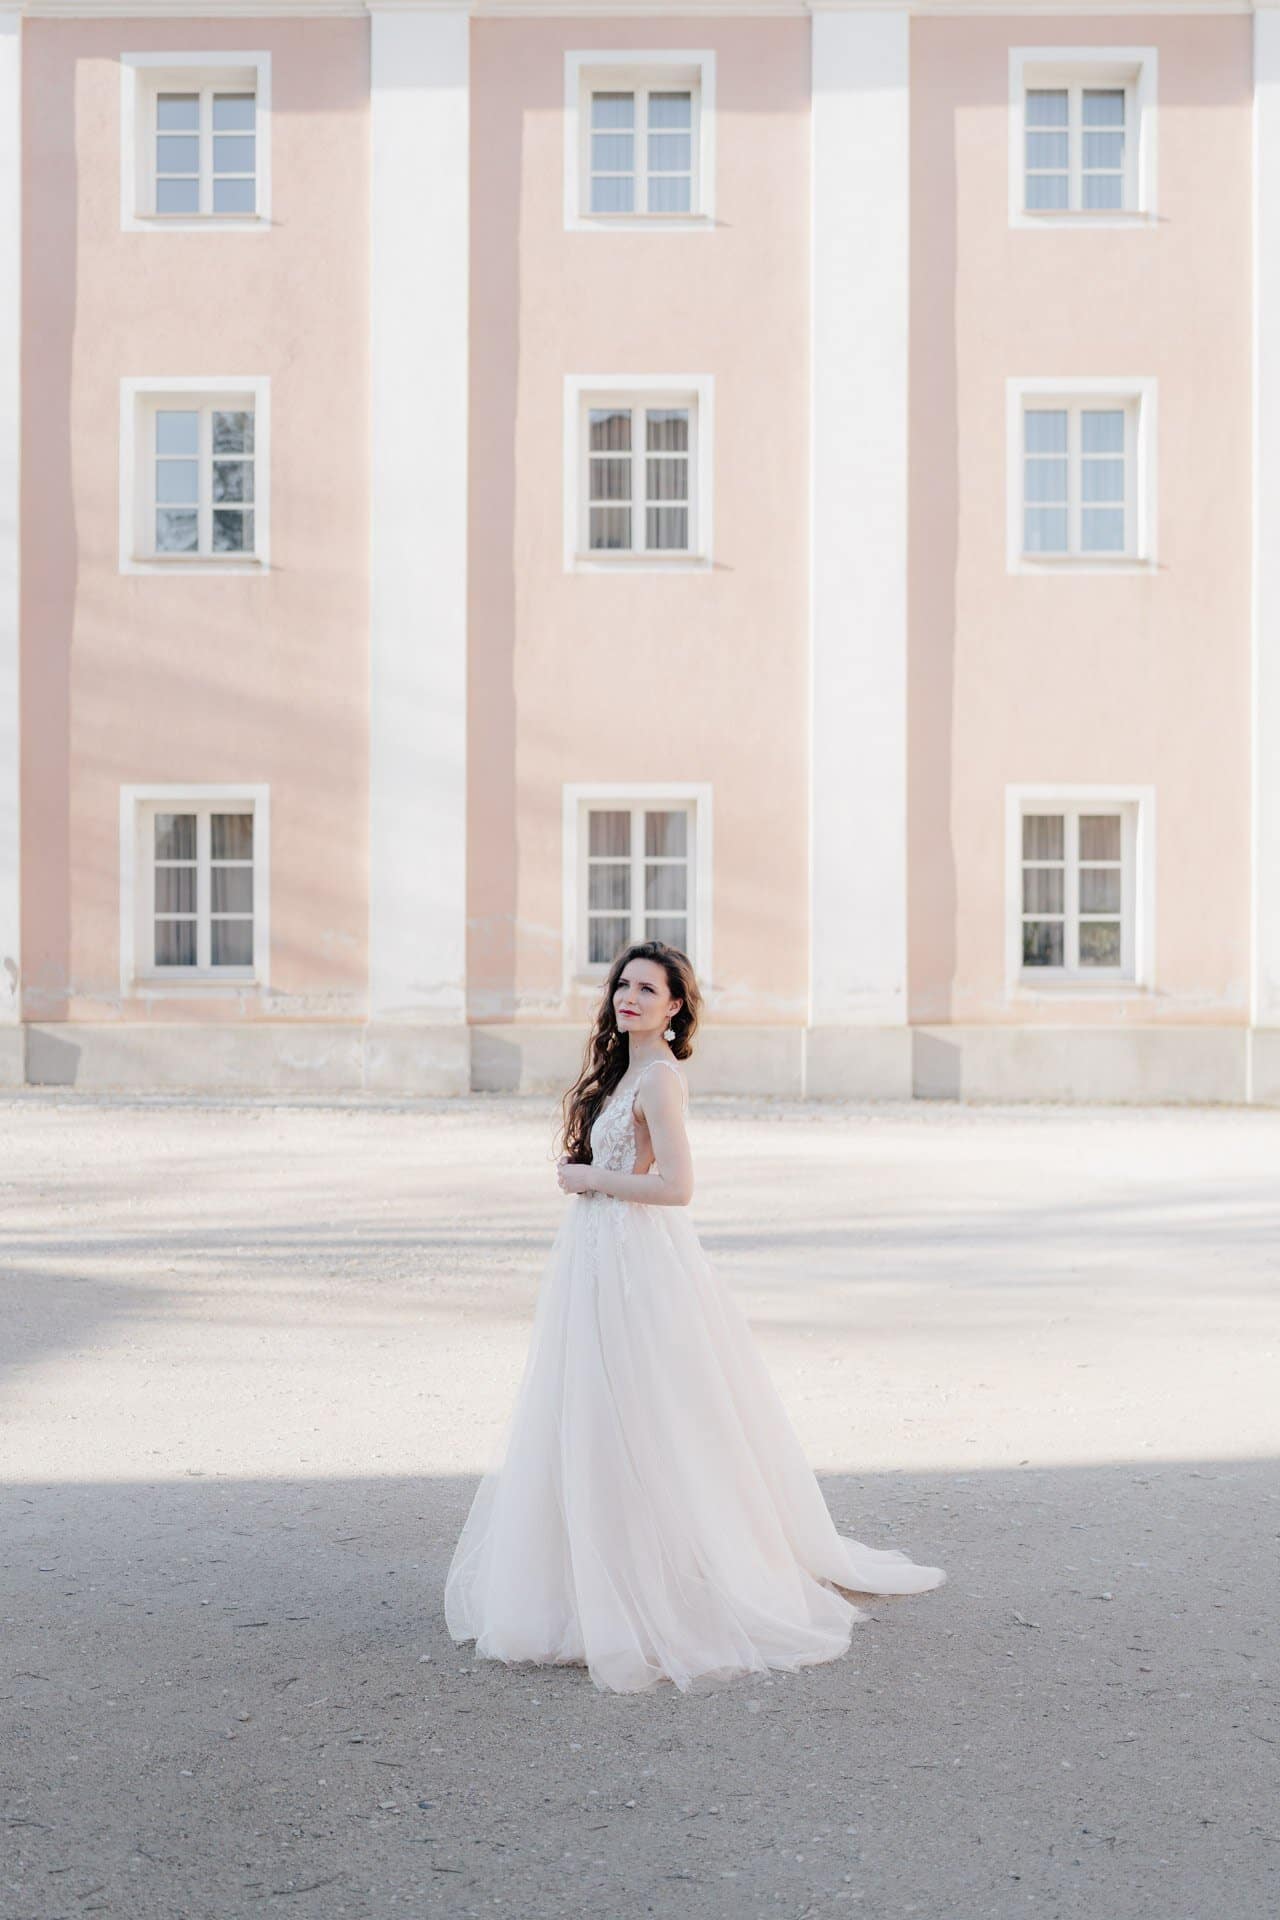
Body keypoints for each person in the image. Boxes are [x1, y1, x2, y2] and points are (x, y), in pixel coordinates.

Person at [443, 940, 945, 1694]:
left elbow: (678, 1187)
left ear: (677, 1007)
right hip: (594, 1254)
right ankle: (581, 1584)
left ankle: (661, 1587)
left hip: (633, 1258)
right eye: (623, 984)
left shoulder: (660, 1080)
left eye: (649, 988)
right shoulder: (619, 1074)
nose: (630, 996)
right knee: (584, 1412)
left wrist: (589, 1177)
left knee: (644, 1415)